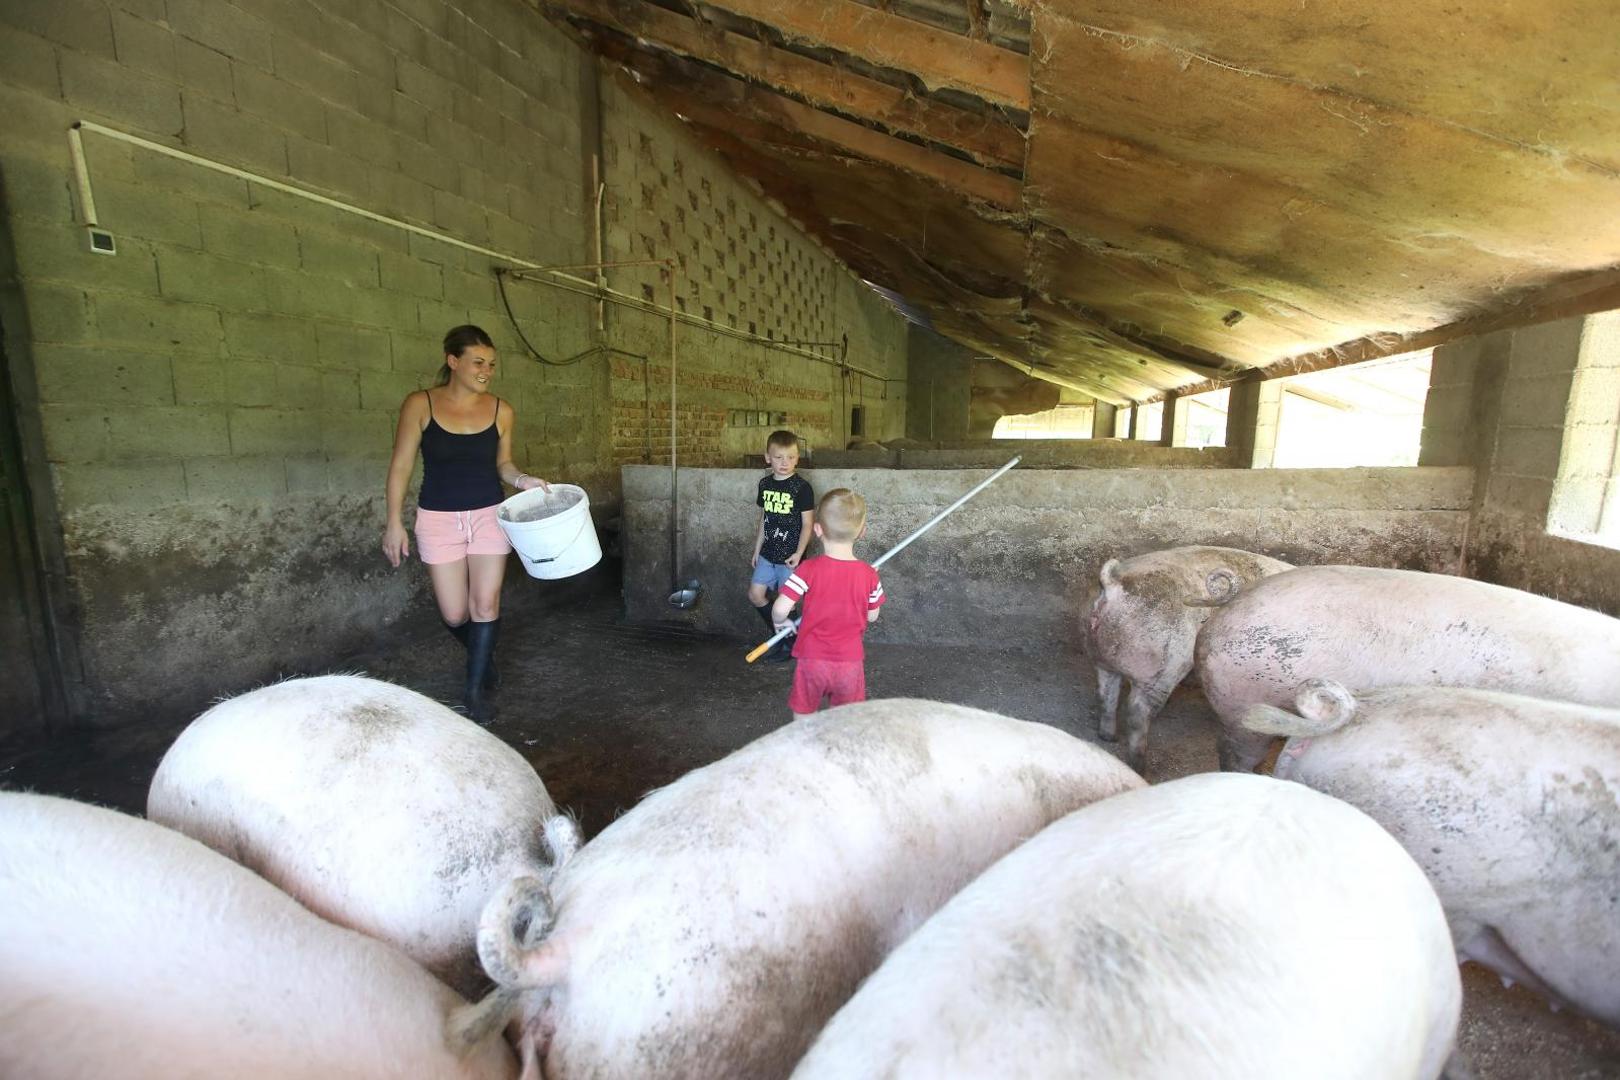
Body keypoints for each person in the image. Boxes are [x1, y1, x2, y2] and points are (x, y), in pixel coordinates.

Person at [382, 325, 547, 722]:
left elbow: (503, 464)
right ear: (452, 362)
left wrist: (523, 480)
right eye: (477, 362)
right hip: (438, 519)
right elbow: (402, 464)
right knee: (455, 614)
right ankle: (482, 656)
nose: (486, 370)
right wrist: (393, 522)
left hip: (490, 516)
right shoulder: (420, 404)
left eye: (491, 364)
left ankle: (474, 693)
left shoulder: (501, 410)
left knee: (485, 604)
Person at [771, 488, 886, 719]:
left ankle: (805, 751)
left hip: (812, 660)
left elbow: (780, 608)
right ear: (862, 532)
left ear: (817, 529)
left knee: (804, 717)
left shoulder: (807, 569)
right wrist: (867, 581)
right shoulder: (869, 575)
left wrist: (780, 623)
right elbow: (872, 616)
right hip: (849, 663)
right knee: (844, 721)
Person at [749, 430, 814, 663]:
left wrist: (799, 553)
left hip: (789, 557)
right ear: (768, 457)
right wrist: (757, 549)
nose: (784, 463)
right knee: (756, 595)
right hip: (767, 553)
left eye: (790, 457)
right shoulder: (765, 484)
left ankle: (789, 644)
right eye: (778, 457)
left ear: (797, 458)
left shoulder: (802, 488)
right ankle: (783, 637)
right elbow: (764, 519)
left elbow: (808, 524)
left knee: (786, 603)